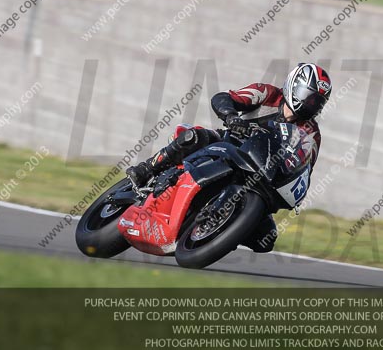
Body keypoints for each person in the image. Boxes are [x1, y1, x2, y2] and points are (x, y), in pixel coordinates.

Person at [126, 63, 333, 253]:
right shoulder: (267, 93)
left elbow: (304, 167)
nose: (312, 105)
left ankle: (222, 231)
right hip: (228, 145)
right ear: (295, 86)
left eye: (318, 102)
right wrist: (231, 116)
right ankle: (147, 169)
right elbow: (223, 97)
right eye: (310, 97)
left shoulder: (311, 133)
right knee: (194, 137)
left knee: (266, 239)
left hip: (261, 177)